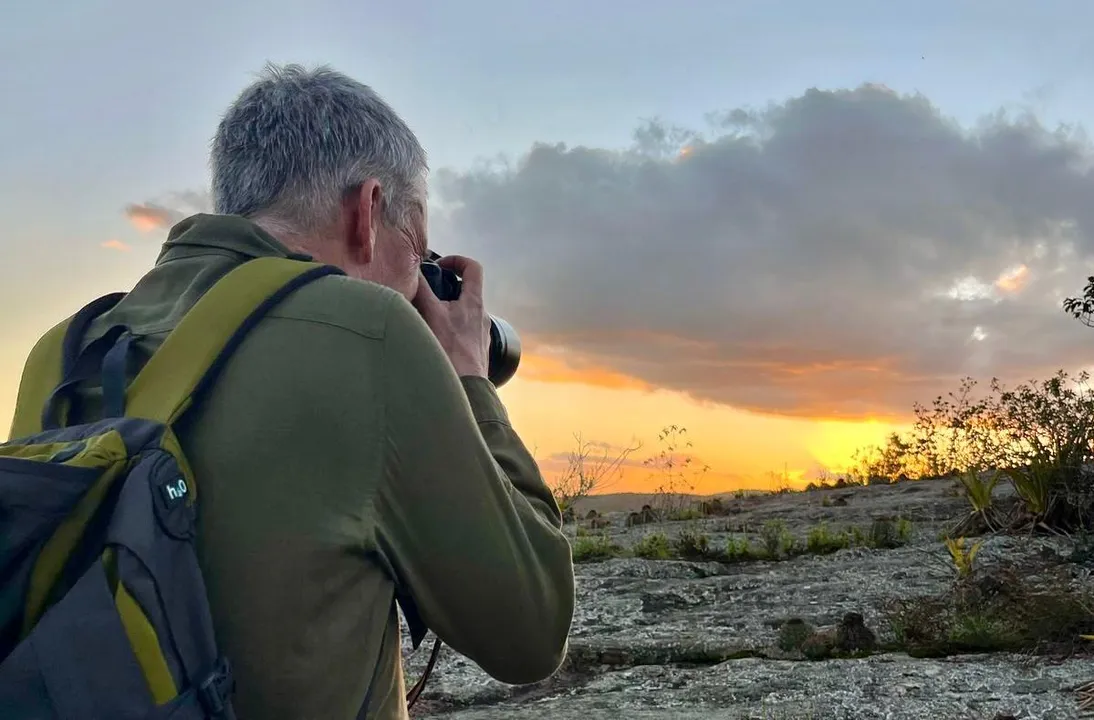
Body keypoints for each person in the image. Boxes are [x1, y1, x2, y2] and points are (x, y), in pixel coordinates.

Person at [53, 64, 575, 719]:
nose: (418, 287)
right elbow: (529, 631)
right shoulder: (367, 333)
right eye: (417, 250)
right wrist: (469, 376)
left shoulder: (69, 350)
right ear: (367, 210)